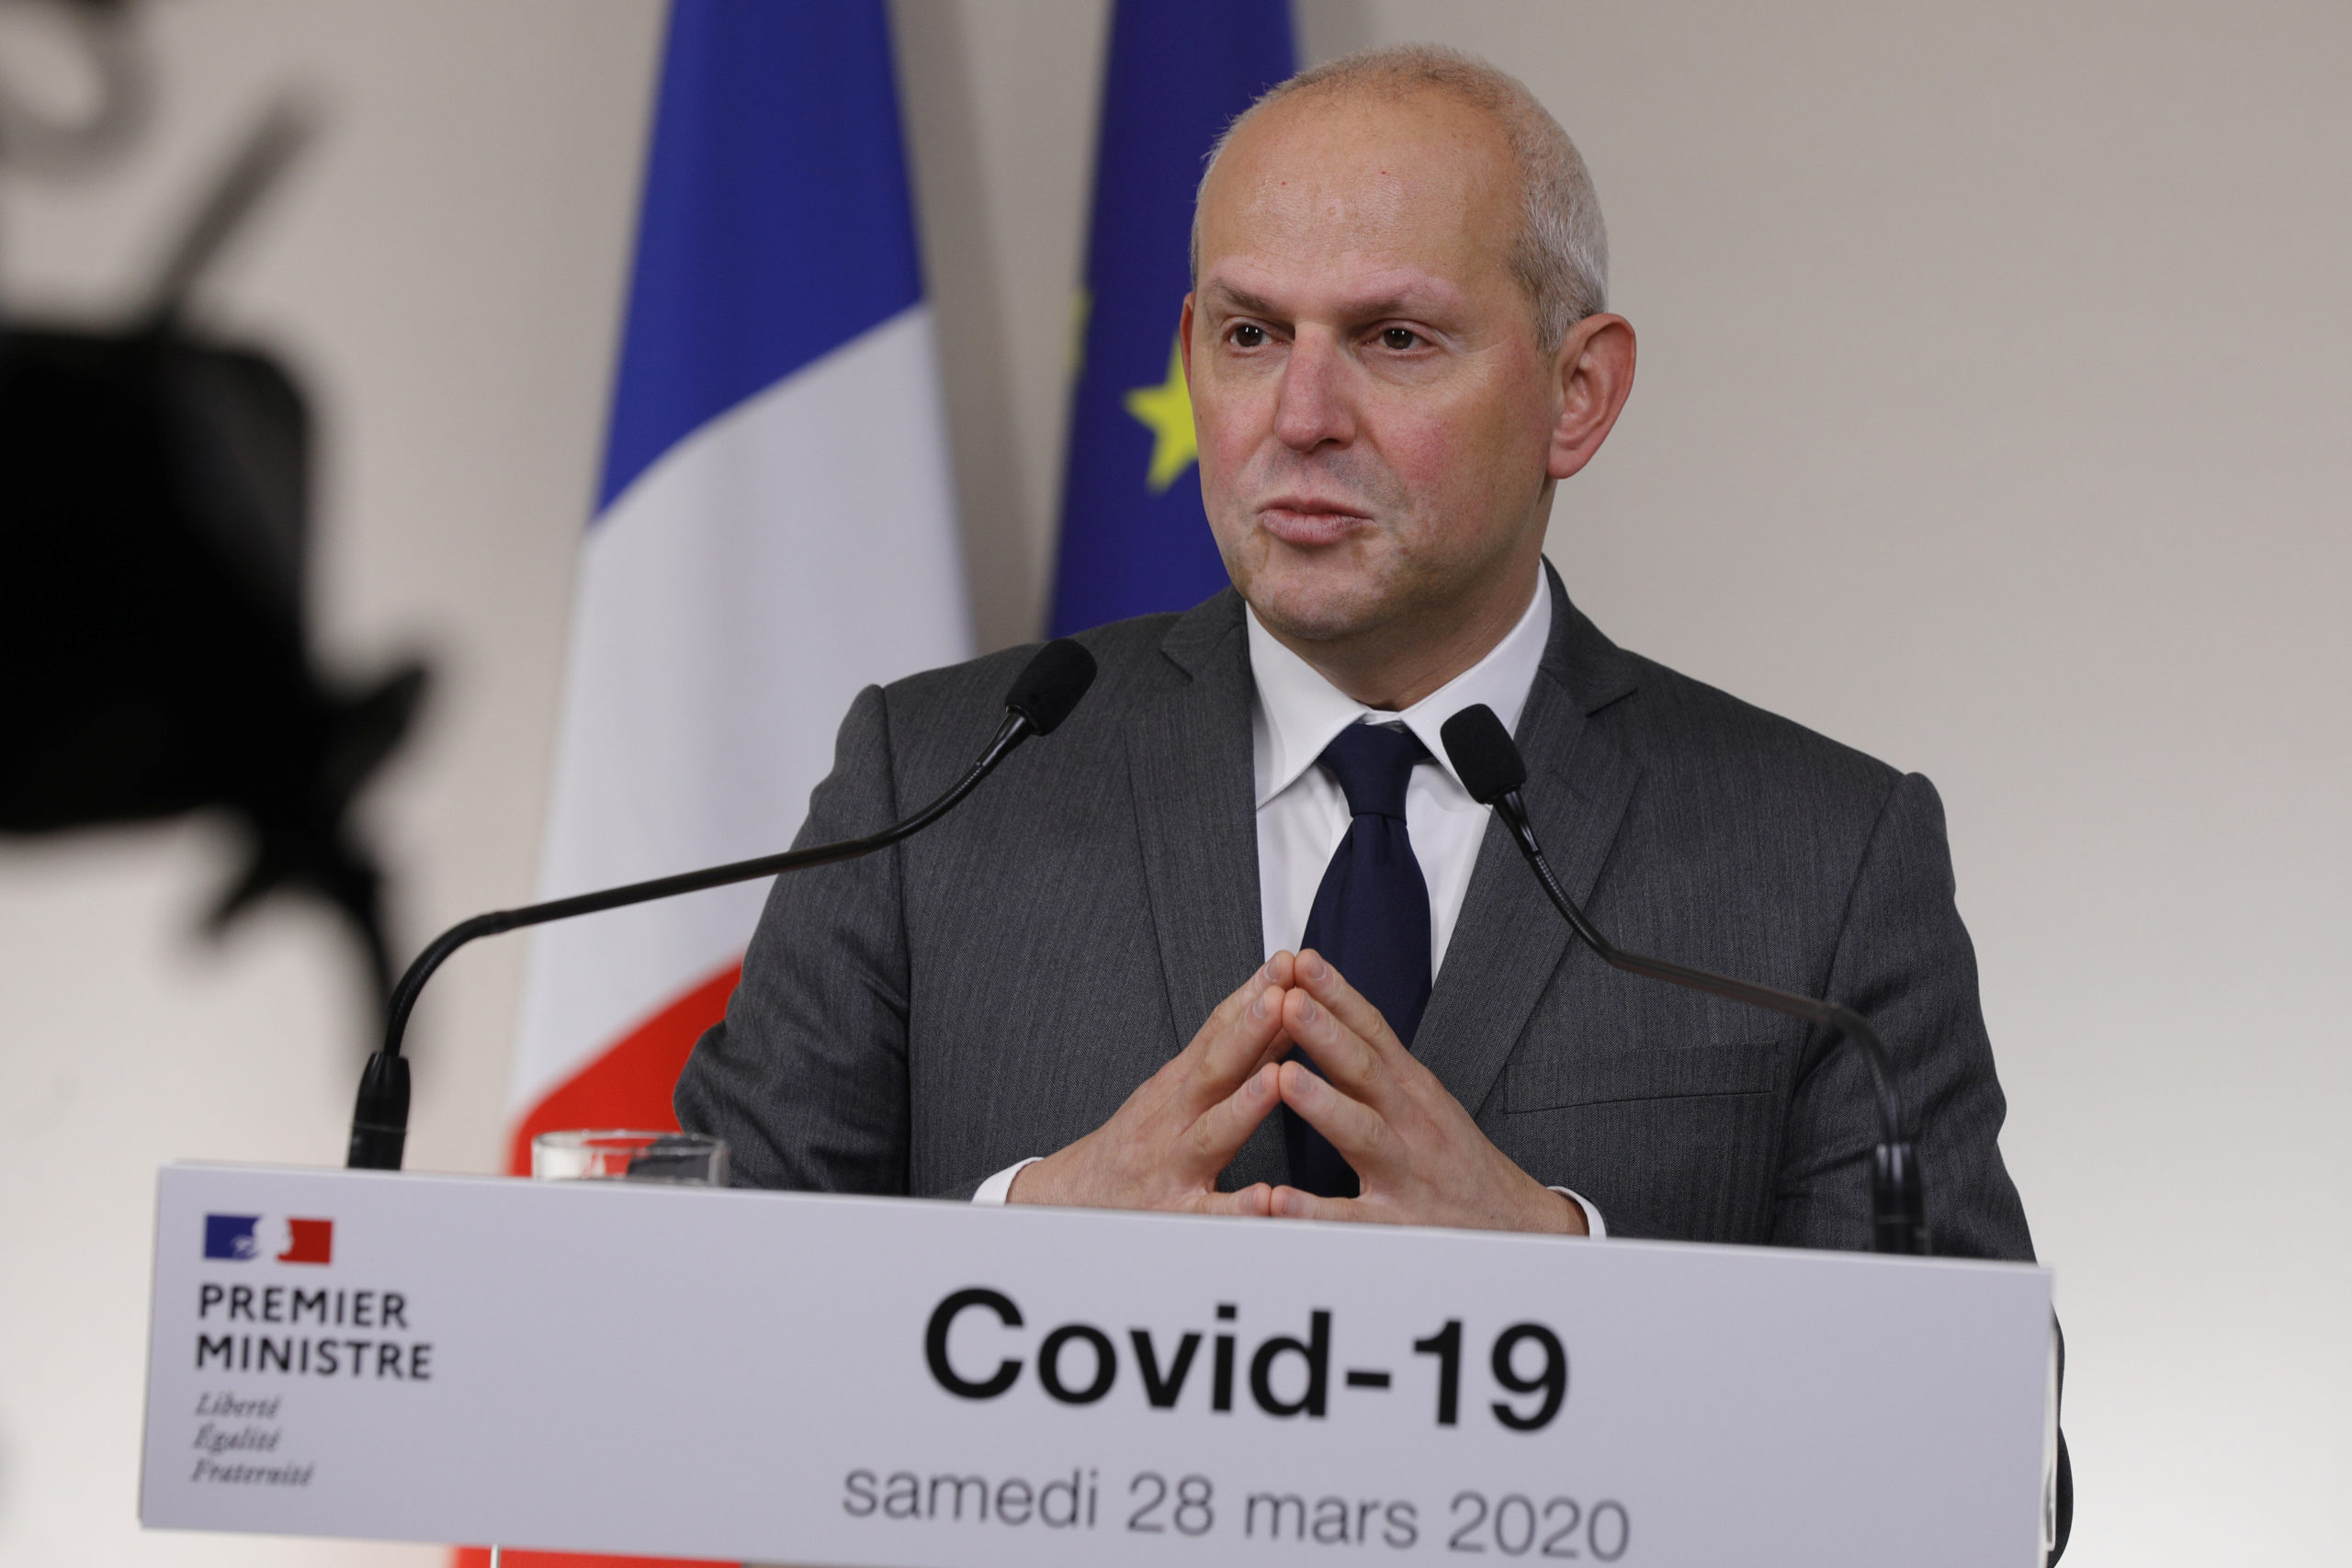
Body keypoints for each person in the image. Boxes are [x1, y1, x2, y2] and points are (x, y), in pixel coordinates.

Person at [674, 44, 2037, 1259]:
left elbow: (1979, 1441)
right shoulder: (935, 788)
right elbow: (678, 1322)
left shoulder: (1825, 863)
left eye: (1395, 339)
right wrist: (1024, 1241)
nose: (1301, 414)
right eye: (1251, 335)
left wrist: (1569, 1277)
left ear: (1579, 392)